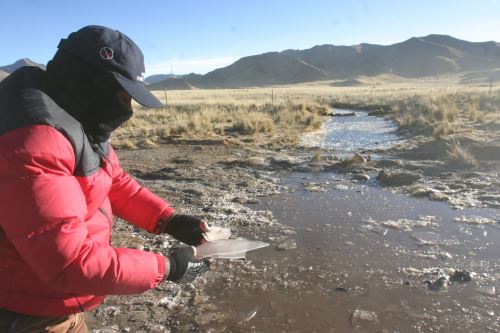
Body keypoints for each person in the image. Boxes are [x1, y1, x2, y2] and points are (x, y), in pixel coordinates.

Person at [0, 25, 210, 332]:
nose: (127, 111)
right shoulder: (34, 144)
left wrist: (169, 219)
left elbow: (114, 181)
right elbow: (72, 264)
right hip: (27, 313)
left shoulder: (73, 116)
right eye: (124, 96)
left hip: (57, 302)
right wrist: (168, 267)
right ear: (90, 84)